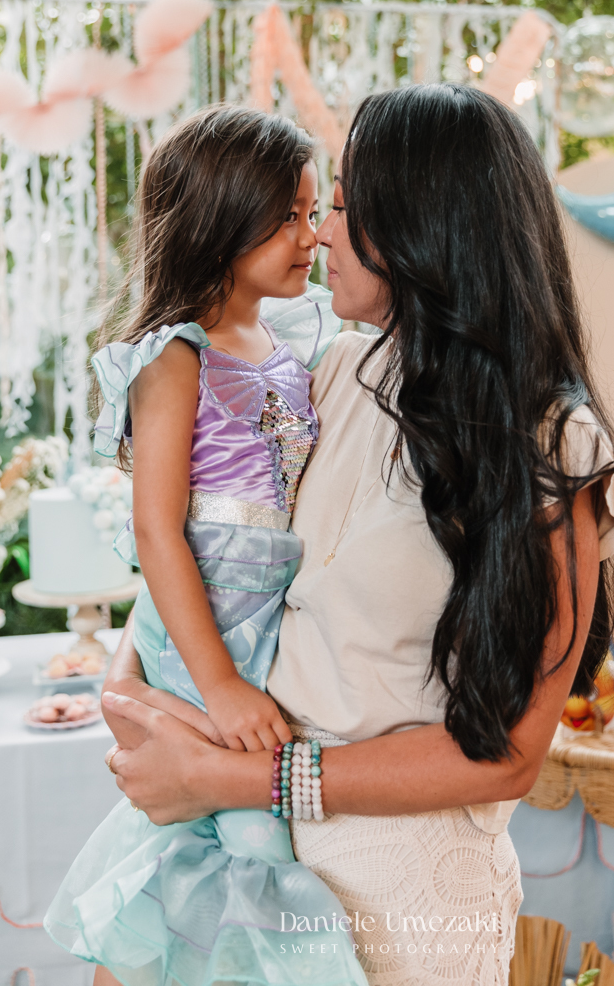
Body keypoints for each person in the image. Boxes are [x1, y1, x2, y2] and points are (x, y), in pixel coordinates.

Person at [93, 84, 614, 986]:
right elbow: (209, 552)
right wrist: (135, 697)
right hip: (244, 873)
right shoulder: (322, 369)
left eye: (342, 208)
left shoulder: (554, 446)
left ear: (425, 228)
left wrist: (241, 783)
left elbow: (506, 755)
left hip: (408, 900)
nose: (319, 236)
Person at [45, 105, 367, 986]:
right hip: (206, 617)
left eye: (313, 215)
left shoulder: (294, 339)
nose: (313, 238)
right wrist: (218, 682)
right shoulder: (174, 356)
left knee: (201, 830)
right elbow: (156, 530)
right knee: (249, 837)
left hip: (267, 614)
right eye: (289, 217)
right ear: (221, 219)